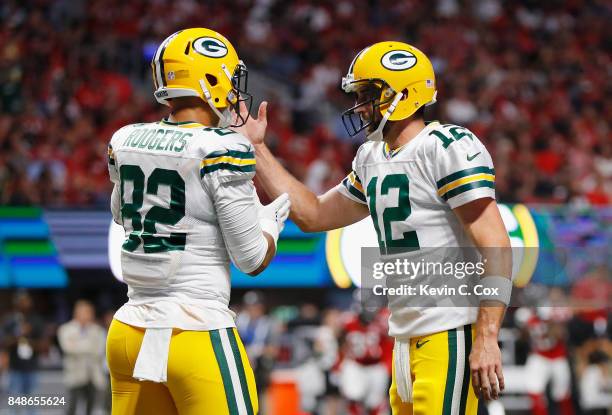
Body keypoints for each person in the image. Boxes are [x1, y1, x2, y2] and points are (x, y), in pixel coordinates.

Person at [236, 41, 512, 414]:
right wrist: (257, 149)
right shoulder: (371, 156)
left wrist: (487, 336)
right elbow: (313, 214)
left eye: (369, 94)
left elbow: (496, 243)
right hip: (403, 336)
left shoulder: (446, 146)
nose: (360, 105)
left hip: (449, 332)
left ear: (405, 94)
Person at [105, 28, 291, 415]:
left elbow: (122, 216)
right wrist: (271, 222)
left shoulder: (125, 139)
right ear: (210, 79)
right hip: (195, 330)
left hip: (128, 332)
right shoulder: (224, 148)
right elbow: (252, 259)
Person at [57, 300, 107, 415]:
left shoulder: (98, 330)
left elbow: (99, 350)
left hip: (93, 376)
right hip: (74, 375)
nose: (88, 315)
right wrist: (89, 346)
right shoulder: (65, 329)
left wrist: (78, 345)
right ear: (77, 313)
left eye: (90, 312)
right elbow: (68, 348)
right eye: (85, 312)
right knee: (71, 407)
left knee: (91, 407)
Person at [1, 291, 46, 401]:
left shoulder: (36, 320)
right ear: (15, 303)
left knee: (32, 404)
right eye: (20, 301)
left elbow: (44, 345)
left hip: (32, 367)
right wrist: (19, 334)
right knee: (14, 403)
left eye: (26, 301)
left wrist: (29, 339)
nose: (23, 303)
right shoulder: (9, 320)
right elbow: (4, 342)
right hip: (14, 367)